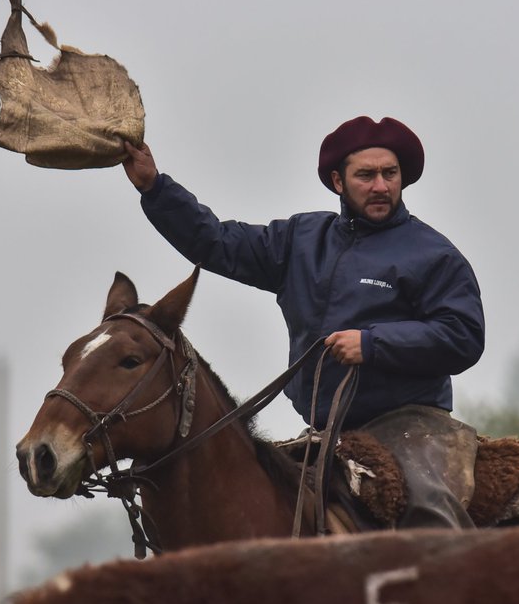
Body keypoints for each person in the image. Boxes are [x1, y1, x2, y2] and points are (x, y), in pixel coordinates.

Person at [121, 116, 485, 528]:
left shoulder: (435, 255)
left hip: (415, 426)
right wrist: (154, 188)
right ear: (337, 181)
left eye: (390, 173)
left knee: (428, 508)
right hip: (326, 431)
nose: (381, 186)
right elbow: (216, 243)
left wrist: (372, 344)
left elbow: (463, 336)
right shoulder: (300, 239)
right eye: (366, 175)